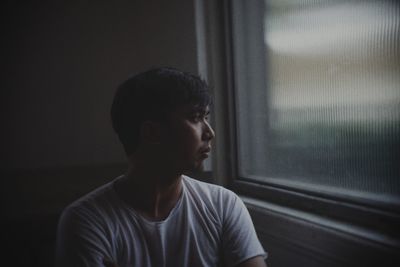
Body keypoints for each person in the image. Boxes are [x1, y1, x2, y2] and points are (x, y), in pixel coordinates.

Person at [55, 67, 267, 267]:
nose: (209, 132)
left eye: (206, 117)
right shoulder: (86, 220)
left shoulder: (223, 205)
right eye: (195, 117)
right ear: (152, 133)